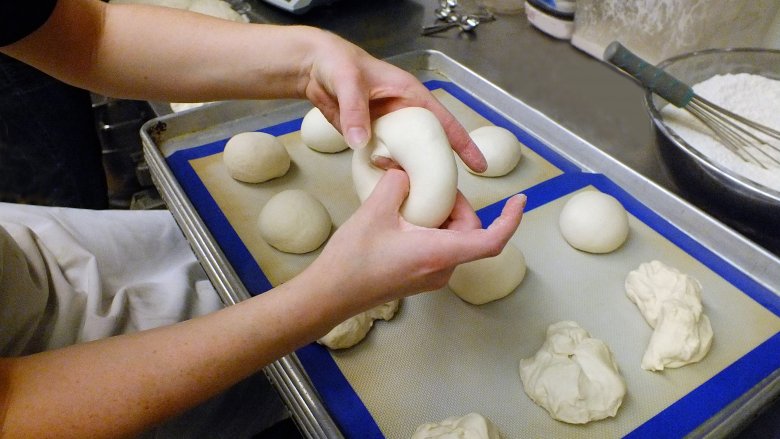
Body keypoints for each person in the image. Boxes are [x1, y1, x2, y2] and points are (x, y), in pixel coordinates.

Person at [0, 1, 527, 437]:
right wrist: (326, 298)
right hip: (44, 393)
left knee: (211, 255)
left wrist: (310, 57)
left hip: (18, 250)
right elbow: (13, 411)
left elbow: (85, 34)